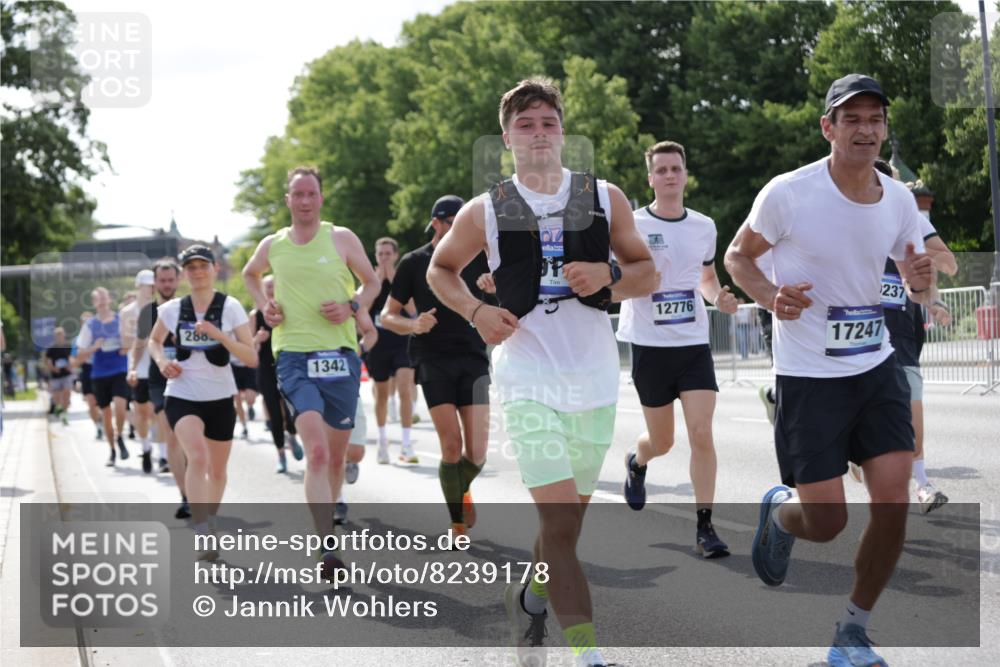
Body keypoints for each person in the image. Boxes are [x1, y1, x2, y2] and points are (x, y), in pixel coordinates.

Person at [427, 79, 655, 667]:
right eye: (524, 125)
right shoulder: (487, 209)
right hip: (528, 379)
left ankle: (529, 597)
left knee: (564, 533)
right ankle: (588, 655)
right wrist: (475, 311)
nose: (538, 134)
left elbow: (647, 273)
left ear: (562, 131)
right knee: (558, 521)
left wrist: (609, 276)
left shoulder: (604, 196)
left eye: (548, 123)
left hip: (594, 380)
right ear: (507, 138)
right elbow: (440, 270)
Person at [724, 73, 935, 667]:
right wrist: (770, 295)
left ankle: (852, 632)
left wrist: (921, 283)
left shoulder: (898, 199)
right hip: (810, 377)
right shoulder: (788, 193)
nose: (866, 130)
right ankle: (781, 516)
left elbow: (915, 277)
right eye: (852, 119)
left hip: (875, 365)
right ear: (828, 128)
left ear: (884, 128)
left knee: (892, 503)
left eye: (875, 119)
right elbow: (738, 257)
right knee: (827, 521)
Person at [242, 166, 379, 575]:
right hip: (293, 356)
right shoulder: (274, 245)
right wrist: (265, 306)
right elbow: (250, 274)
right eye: (297, 194)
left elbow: (371, 283)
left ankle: (328, 525)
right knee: (316, 451)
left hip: (340, 355)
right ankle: (326, 546)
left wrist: (352, 306)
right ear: (288, 200)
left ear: (321, 198)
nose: (304, 201)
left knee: (336, 459)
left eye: (311, 193)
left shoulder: (341, 238)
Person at [617, 140, 739, 559]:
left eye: (676, 169)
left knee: (701, 432)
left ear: (686, 175)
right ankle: (637, 461)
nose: (669, 175)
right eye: (661, 170)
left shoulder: (704, 226)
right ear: (650, 178)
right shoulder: (632, 224)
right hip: (650, 346)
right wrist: (637, 283)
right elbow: (617, 279)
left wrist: (718, 298)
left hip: (692, 343)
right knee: (663, 441)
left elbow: (706, 277)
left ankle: (705, 527)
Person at [381, 194, 492, 537]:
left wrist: (494, 288)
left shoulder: (482, 257)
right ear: (435, 223)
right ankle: (457, 523)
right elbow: (387, 316)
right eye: (450, 223)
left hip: (473, 357)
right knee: (451, 446)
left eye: (462, 223)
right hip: (432, 359)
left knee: (477, 453)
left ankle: (460, 485)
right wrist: (413, 325)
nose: (457, 229)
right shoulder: (414, 262)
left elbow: (508, 300)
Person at [148, 245, 257, 560]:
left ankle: (209, 518)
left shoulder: (231, 307)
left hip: (220, 397)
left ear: (215, 269)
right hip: (182, 393)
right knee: (197, 457)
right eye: (191, 268)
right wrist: (161, 362)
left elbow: (251, 357)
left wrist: (219, 336)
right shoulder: (172, 310)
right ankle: (202, 530)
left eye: (203, 266)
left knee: (218, 471)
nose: (197, 272)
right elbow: (154, 341)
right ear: (184, 273)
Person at [134, 258, 190, 517]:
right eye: (162, 280)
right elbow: (140, 344)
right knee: (171, 434)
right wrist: (132, 368)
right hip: (159, 380)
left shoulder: (188, 308)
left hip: (189, 378)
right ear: (155, 283)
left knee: (191, 438)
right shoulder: (148, 313)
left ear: (178, 280)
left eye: (170, 280)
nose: (166, 284)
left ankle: (195, 485)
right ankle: (186, 496)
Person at [366, 236, 417, 465]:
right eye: (381, 254)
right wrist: (377, 283)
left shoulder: (404, 277)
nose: (384, 258)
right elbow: (361, 309)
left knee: (405, 388)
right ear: (376, 257)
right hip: (378, 345)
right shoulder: (369, 279)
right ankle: (382, 439)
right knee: (382, 395)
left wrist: (395, 281)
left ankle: (406, 443)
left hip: (402, 342)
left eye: (388, 254)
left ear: (396, 255)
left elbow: (413, 310)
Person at [251, 275, 303, 473]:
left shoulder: (288, 311)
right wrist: (258, 339)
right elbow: (248, 347)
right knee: (274, 413)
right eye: (267, 287)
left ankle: (292, 434)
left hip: (288, 367)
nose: (271, 290)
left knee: (291, 409)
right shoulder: (255, 315)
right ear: (262, 290)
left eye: (274, 286)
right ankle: (281, 454)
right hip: (266, 369)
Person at [75, 287, 130, 466]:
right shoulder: (90, 325)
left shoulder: (120, 319)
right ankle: (112, 451)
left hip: (119, 370)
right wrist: (94, 347)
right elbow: (79, 354)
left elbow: (132, 341)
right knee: (106, 414)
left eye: (105, 297)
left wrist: (126, 346)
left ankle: (119, 436)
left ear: (110, 299)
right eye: (98, 298)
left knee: (120, 406)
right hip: (99, 373)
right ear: (94, 302)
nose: (103, 300)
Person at [123, 270, 157, 473]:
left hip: (159, 367)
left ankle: (164, 456)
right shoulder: (128, 312)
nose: (150, 289)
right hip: (138, 369)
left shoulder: (160, 308)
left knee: (158, 412)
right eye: (147, 285)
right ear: (138, 286)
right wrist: (141, 334)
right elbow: (125, 341)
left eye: (152, 285)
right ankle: (146, 448)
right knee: (142, 413)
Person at [44, 327, 73, 425]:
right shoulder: (51, 348)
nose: (60, 337)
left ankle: (65, 414)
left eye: (61, 335)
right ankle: (58, 408)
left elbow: (72, 358)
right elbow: (47, 361)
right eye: (58, 336)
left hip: (66, 374)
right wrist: (52, 368)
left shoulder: (68, 346)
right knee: (57, 397)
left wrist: (70, 366)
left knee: (67, 394)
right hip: (55, 375)